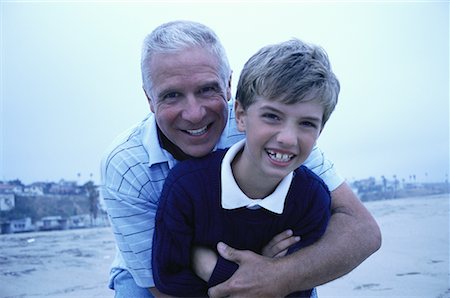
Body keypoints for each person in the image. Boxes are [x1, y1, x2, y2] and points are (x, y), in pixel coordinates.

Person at [100, 20, 381, 298]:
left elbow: (362, 229)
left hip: (262, 255)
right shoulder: (126, 166)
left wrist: (277, 274)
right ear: (149, 99)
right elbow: (162, 286)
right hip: (160, 264)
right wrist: (228, 274)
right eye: (172, 95)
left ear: (228, 86)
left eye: (207, 89)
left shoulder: (271, 130)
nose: (194, 113)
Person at [152, 38, 339, 297]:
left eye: (307, 123)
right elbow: (170, 279)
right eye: (272, 116)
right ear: (240, 115)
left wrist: (215, 268)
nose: (287, 138)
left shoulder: (312, 199)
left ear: (320, 130)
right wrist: (256, 273)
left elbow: (292, 290)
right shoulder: (186, 187)